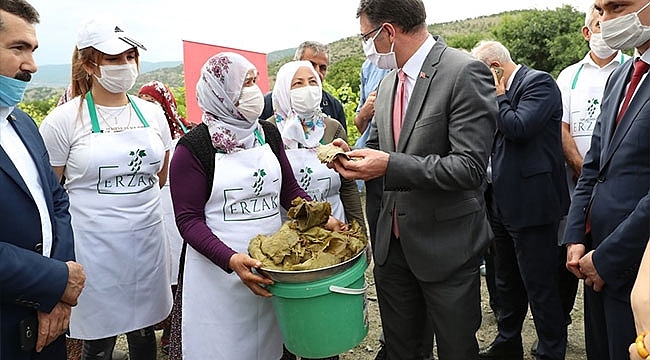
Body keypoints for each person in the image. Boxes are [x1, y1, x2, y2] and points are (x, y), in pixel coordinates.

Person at [329, 0, 498, 358]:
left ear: (388, 32)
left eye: (366, 37)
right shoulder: (390, 82)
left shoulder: (463, 71)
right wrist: (349, 154)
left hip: (446, 246)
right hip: (393, 248)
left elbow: (469, 167)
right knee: (403, 349)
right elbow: (379, 145)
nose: (366, 47)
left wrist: (390, 165)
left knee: (456, 349)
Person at [168, 52, 344, 360]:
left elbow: (289, 191)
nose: (253, 91)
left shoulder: (268, 133)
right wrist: (231, 259)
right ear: (222, 93)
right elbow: (189, 221)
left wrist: (321, 218)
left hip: (272, 265)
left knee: (270, 346)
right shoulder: (193, 149)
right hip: (218, 274)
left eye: (253, 82)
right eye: (245, 84)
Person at [38, 18, 173, 360]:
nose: (125, 66)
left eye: (130, 57)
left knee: (144, 333)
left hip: (147, 242)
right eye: (114, 59)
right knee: (98, 341)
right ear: (89, 64)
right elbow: (49, 193)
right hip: (93, 249)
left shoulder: (152, 114)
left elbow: (160, 176)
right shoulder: (64, 121)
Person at [471, 40, 569, 360]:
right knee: (506, 281)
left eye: (481, 74)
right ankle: (508, 342)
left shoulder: (539, 83)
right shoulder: (497, 94)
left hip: (533, 205)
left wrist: (498, 96)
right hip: (499, 201)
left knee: (539, 284)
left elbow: (519, 127)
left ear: (496, 69)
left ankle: (550, 350)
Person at [562, 0, 650, 358]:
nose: (606, 19)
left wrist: (609, 257)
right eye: (600, 9)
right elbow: (594, 165)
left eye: (617, 7)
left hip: (637, 267)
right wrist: (575, 237)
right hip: (594, 259)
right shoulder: (621, 75)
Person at [0, 1, 86, 359]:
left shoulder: (23, 125)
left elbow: (57, 202)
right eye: (17, 48)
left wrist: (58, 289)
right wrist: (53, 281)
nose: (31, 66)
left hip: (43, 325)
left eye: (32, 50)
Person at [266, 57, 366, 360]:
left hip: (331, 233)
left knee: (324, 312)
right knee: (291, 318)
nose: (307, 89)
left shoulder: (332, 126)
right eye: (297, 84)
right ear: (283, 90)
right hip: (289, 238)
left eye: (312, 82)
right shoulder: (270, 132)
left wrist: (358, 227)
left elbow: (347, 182)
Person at [545, 5, 631, 357]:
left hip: (625, 220)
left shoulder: (628, 69)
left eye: (617, 9)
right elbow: (567, 133)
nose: (606, 24)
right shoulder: (571, 76)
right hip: (579, 193)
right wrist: (583, 168)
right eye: (599, 16)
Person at [137, 80, 193, 355]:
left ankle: (173, 334)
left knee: (178, 275)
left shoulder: (187, 137)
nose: (149, 111)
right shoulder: (139, 137)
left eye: (155, 105)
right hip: (152, 214)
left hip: (177, 219)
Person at [261, 41, 347, 131]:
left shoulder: (334, 106)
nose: (317, 72)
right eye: (311, 65)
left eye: (322, 68)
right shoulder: (268, 103)